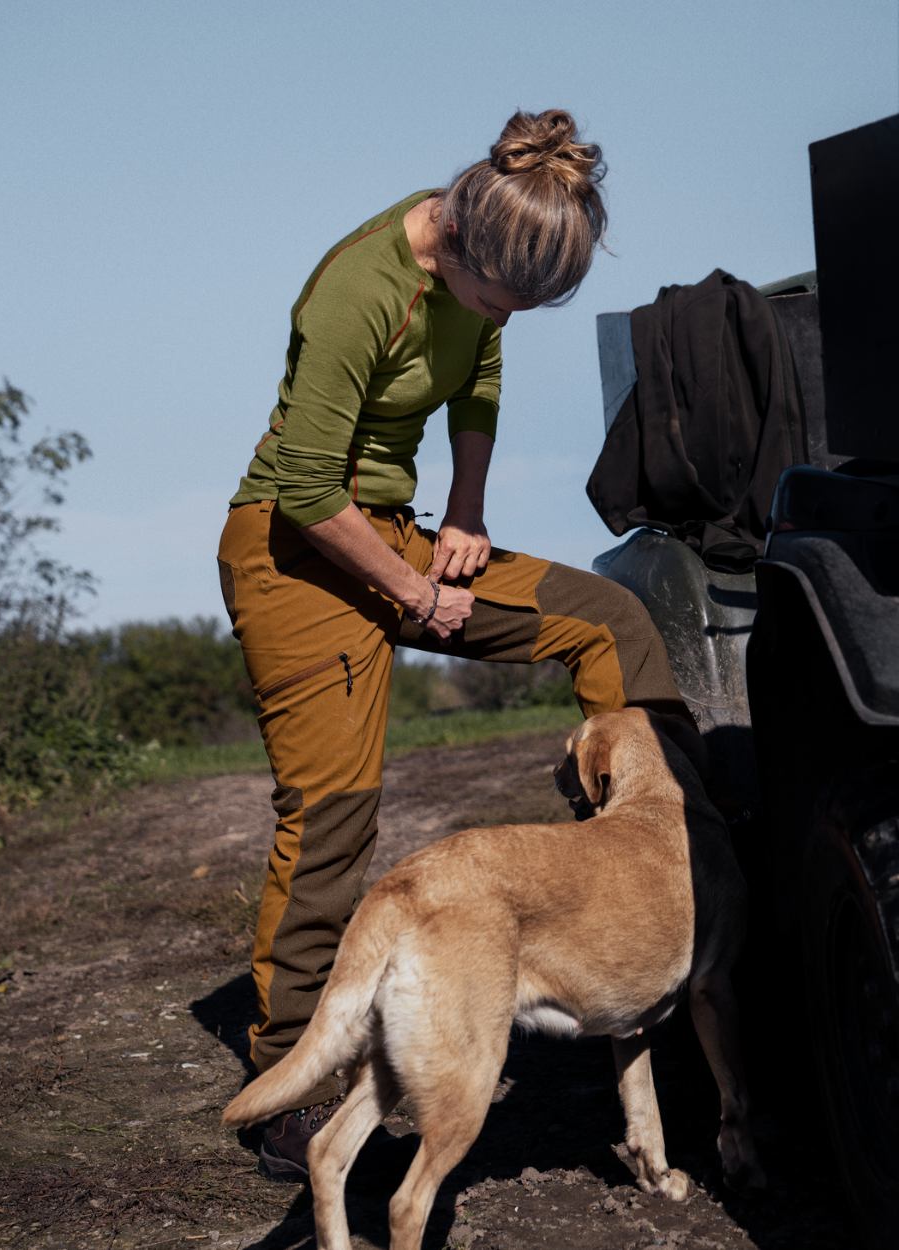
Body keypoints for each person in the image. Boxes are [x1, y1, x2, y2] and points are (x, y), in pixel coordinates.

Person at [217, 108, 691, 1180]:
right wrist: (409, 593)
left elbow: (475, 378)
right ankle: (286, 1083)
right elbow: (301, 486)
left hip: (396, 533)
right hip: (298, 548)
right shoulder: (358, 289)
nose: (502, 318)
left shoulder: (483, 281)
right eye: (495, 300)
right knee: (335, 812)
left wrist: (465, 511)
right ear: (458, 237)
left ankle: (651, 906)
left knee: (607, 618)